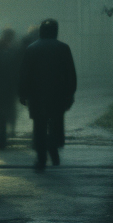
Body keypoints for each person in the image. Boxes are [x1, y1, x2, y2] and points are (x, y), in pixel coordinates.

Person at [19, 18, 77, 170]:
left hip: (36, 95)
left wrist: (22, 93)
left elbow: (24, 74)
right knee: (56, 123)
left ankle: (41, 158)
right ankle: (54, 149)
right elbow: (70, 73)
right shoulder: (63, 48)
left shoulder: (31, 48)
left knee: (39, 125)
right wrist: (70, 93)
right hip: (58, 94)